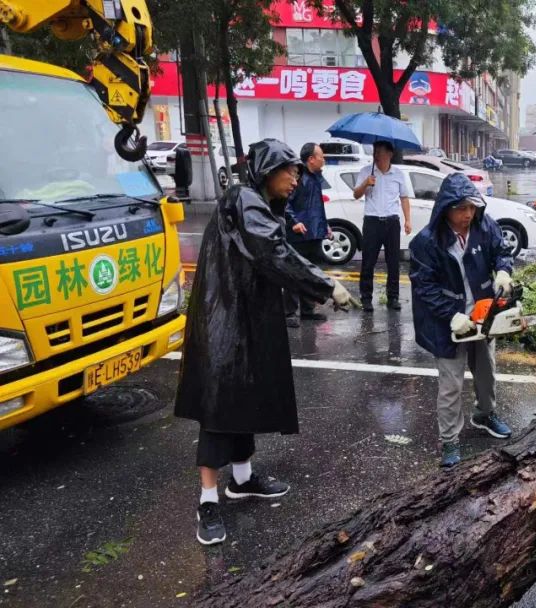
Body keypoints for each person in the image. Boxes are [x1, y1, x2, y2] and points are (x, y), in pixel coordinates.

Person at [175, 139, 356, 546]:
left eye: (296, 171)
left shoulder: (256, 201)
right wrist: (326, 284)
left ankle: (242, 480)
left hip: (244, 317)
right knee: (218, 410)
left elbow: (273, 254)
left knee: (245, 397)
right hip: (225, 317)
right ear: (266, 171)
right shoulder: (244, 199)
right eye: (288, 171)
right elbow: (274, 252)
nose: (295, 179)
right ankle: (207, 501)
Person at [409, 173, 515, 468]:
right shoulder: (427, 242)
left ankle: (485, 413)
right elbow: (424, 288)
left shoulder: (484, 225)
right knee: (451, 383)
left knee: (486, 371)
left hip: (482, 313)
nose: (468, 214)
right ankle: (450, 440)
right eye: (460, 208)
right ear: (446, 208)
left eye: (471, 207)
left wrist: (504, 271)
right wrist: (451, 315)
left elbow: (501, 252)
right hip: (448, 321)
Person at [352, 140, 413, 312]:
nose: (376, 155)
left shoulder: (398, 174)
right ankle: (366, 298)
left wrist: (407, 220)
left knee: (393, 261)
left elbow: (404, 198)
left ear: (389, 154)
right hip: (372, 222)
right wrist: (366, 183)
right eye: (375, 152)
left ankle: (393, 297)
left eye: (379, 152)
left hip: (392, 222)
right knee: (368, 262)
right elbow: (356, 194)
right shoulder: (366, 172)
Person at [282, 143, 333, 328]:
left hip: (314, 233)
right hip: (298, 234)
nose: (323, 159)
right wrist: (294, 222)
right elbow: (286, 203)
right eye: (321, 156)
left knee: (310, 272)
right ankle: (288, 312)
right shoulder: (299, 177)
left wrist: (325, 225)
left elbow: (317, 205)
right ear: (311, 159)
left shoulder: (316, 177)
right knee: (294, 272)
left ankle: (308, 310)